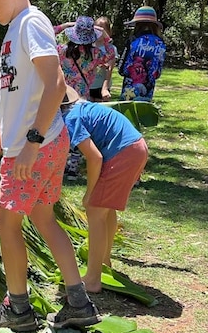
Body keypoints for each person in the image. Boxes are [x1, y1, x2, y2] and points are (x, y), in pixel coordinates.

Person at [0, 0, 100, 331]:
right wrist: (2, 128)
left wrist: (31, 142)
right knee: (42, 217)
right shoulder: (16, 28)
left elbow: (55, 84)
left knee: (6, 222)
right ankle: (78, 302)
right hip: (36, 142)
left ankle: (18, 309)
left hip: (34, 148)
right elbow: (23, 91)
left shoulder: (30, 23)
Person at [61, 91, 149, 293]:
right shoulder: (81, 110)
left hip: (124, 152)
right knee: (105, 209)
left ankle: (92, 279)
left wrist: (89, 193)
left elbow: (95, 158)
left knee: (94, 209)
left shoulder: (70, 119)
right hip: (136, 147)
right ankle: (104, 262)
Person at [53, 16, 117, 101]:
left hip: (64, 95)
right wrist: (104, 33)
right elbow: (111, 54)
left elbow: (46, 37)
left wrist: (64, 25)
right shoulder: (95, 54)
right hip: (82, 97)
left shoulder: (61, 50)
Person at [118, 6, 166, 102]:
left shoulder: (133, 41)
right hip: (148, 91)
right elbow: (157, 73)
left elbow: (122, 69)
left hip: (129, 89)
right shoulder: (160, 44)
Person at [90, 16, 117, 101]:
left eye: (102, 29)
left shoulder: (111, 48)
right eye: (96, 28)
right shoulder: (89, 47)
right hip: (88, 85)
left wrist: (104, 88)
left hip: (101, 85)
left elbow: (109, 69)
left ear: (108, 31)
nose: (99, 31)